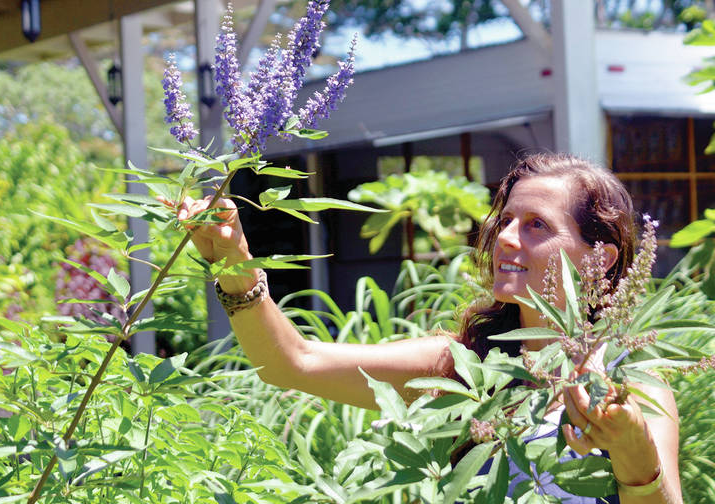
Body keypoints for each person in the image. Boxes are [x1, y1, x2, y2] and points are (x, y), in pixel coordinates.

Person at [167, 153, 682, 503]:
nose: (505, 237)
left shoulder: (633, 384)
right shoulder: (463, 365)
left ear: (601, 256)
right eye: (505, 219)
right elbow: (292, 364)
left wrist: (634, 450)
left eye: (536, 225)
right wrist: (234, 264)